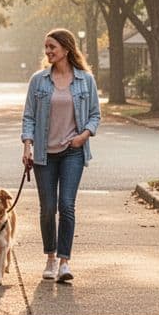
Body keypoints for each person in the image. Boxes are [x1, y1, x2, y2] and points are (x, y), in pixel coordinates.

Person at [20, 28, 100, 283]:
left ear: (66, 48)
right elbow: (29, 116)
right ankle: (50, 258)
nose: (48, 51)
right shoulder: (39, 80)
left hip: (72, 152)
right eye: (46, 47)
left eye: (52, 47)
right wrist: (27, 146)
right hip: (44, 154)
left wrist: (83, 135)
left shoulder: (85, 80)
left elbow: (95, 115)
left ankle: (65, 262)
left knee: (66, 205)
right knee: (48, 208)